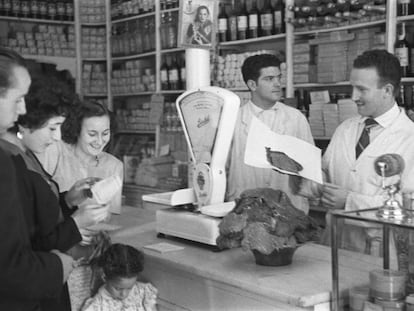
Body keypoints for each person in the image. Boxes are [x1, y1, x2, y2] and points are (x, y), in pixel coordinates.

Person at [0, 47, 76, 310]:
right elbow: (12, 260)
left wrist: (68, 201)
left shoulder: (21, 156)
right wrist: (56, 267)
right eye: (18, 98)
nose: (22, 108)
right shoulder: (8, 162)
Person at [318, 49, 414, 255]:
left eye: (361, 89)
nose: (353, 96)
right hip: (334, 244)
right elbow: (326, 171)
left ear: (387, 90)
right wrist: (312, 183)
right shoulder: (345, 128)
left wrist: (349, 201)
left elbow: (408, 208)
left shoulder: (410, 138)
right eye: (352, 87)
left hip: (379, 252)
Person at [226, 53, 314, 214]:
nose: (278, 84)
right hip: (244, 208)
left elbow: (310, 168)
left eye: (279, 78)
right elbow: (222, 168)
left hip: (288, 210)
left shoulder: (295, 118)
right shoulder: (232, 120)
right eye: (269, 79)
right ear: (252, 84)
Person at [42, 100, 124, 216]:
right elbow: (40, 206)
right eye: (92, 134)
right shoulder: (56, 151)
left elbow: (112, 215)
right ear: (77, 130)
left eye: (105, 133)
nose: (100, 141)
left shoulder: (114, 166)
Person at [81, 243, 158, 311]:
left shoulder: (142, 292)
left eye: (129, 288)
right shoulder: (97, 305)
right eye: (118, 288)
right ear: (104, 277)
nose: (124, 294)